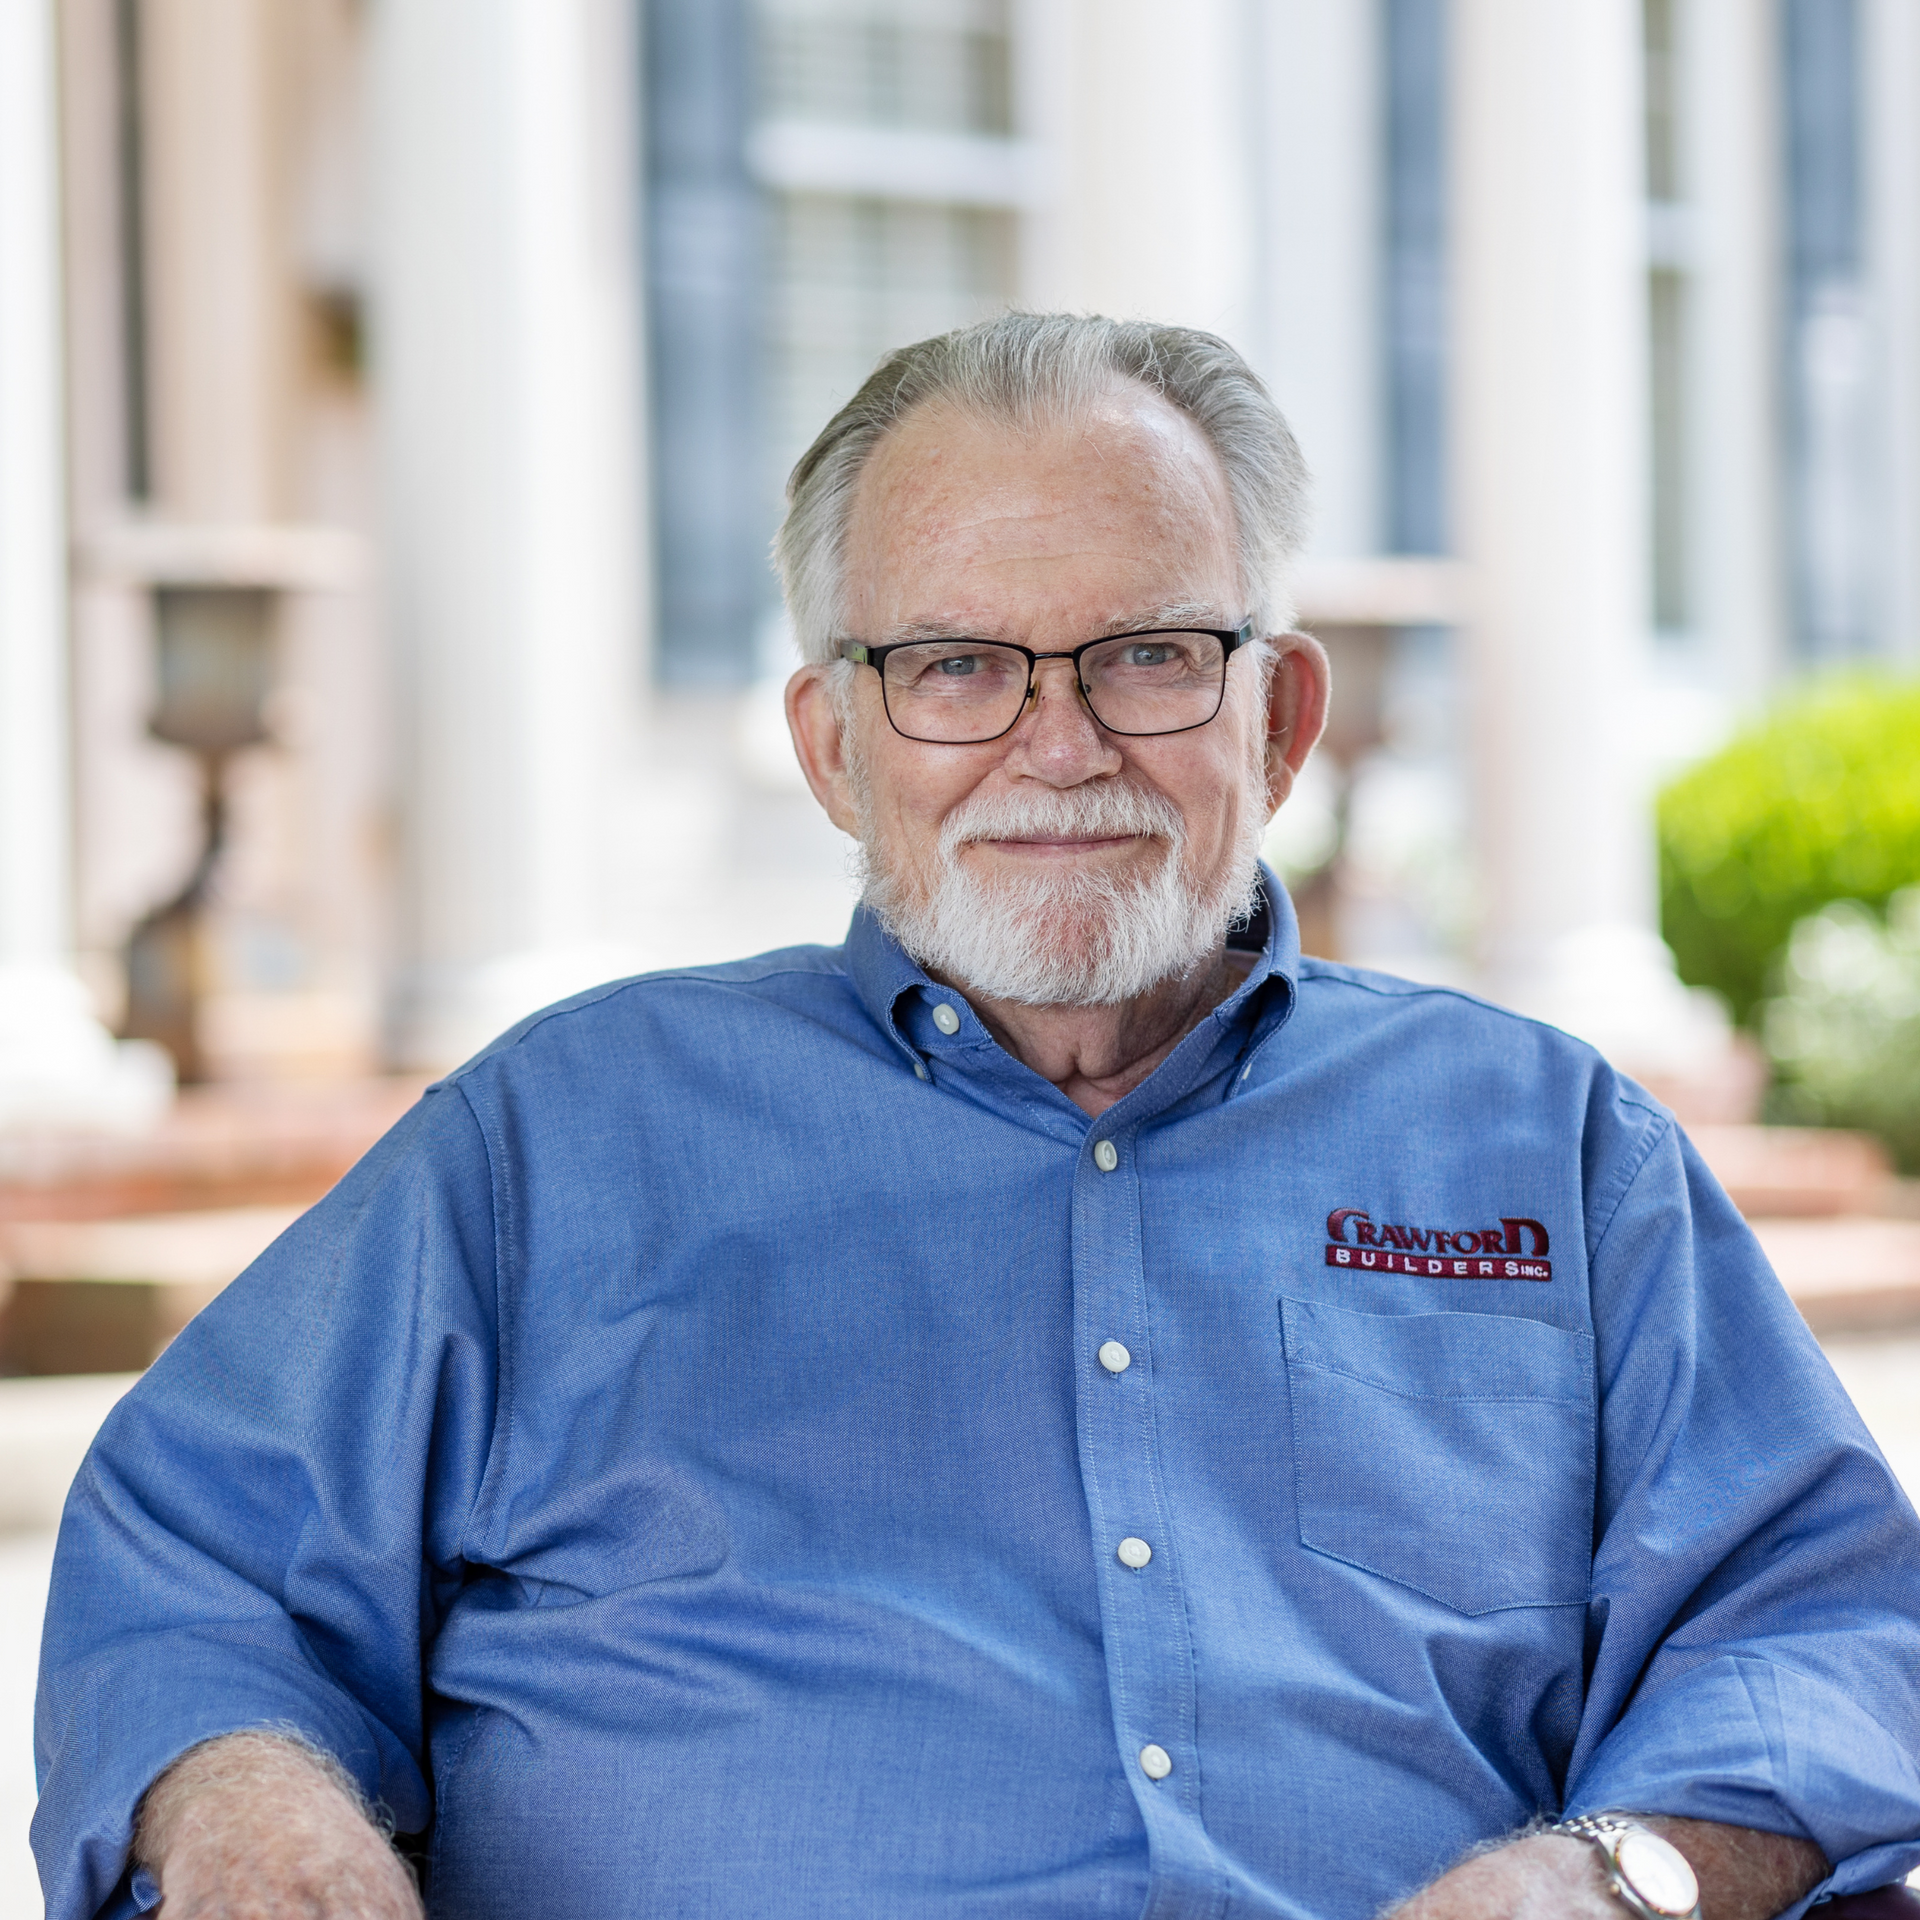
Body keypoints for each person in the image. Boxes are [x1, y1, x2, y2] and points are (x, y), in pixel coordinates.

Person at [34, 315, 1920, 1920]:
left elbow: (1833, 1628)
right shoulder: (557, 1143)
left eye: (1151, 654)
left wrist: (1602, 1876)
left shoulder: (1548, 1148)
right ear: (832, 745)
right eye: (952, 667)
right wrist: (256, 1816)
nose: (1062, 742)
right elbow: (199, 1561)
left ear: (1278, 719)